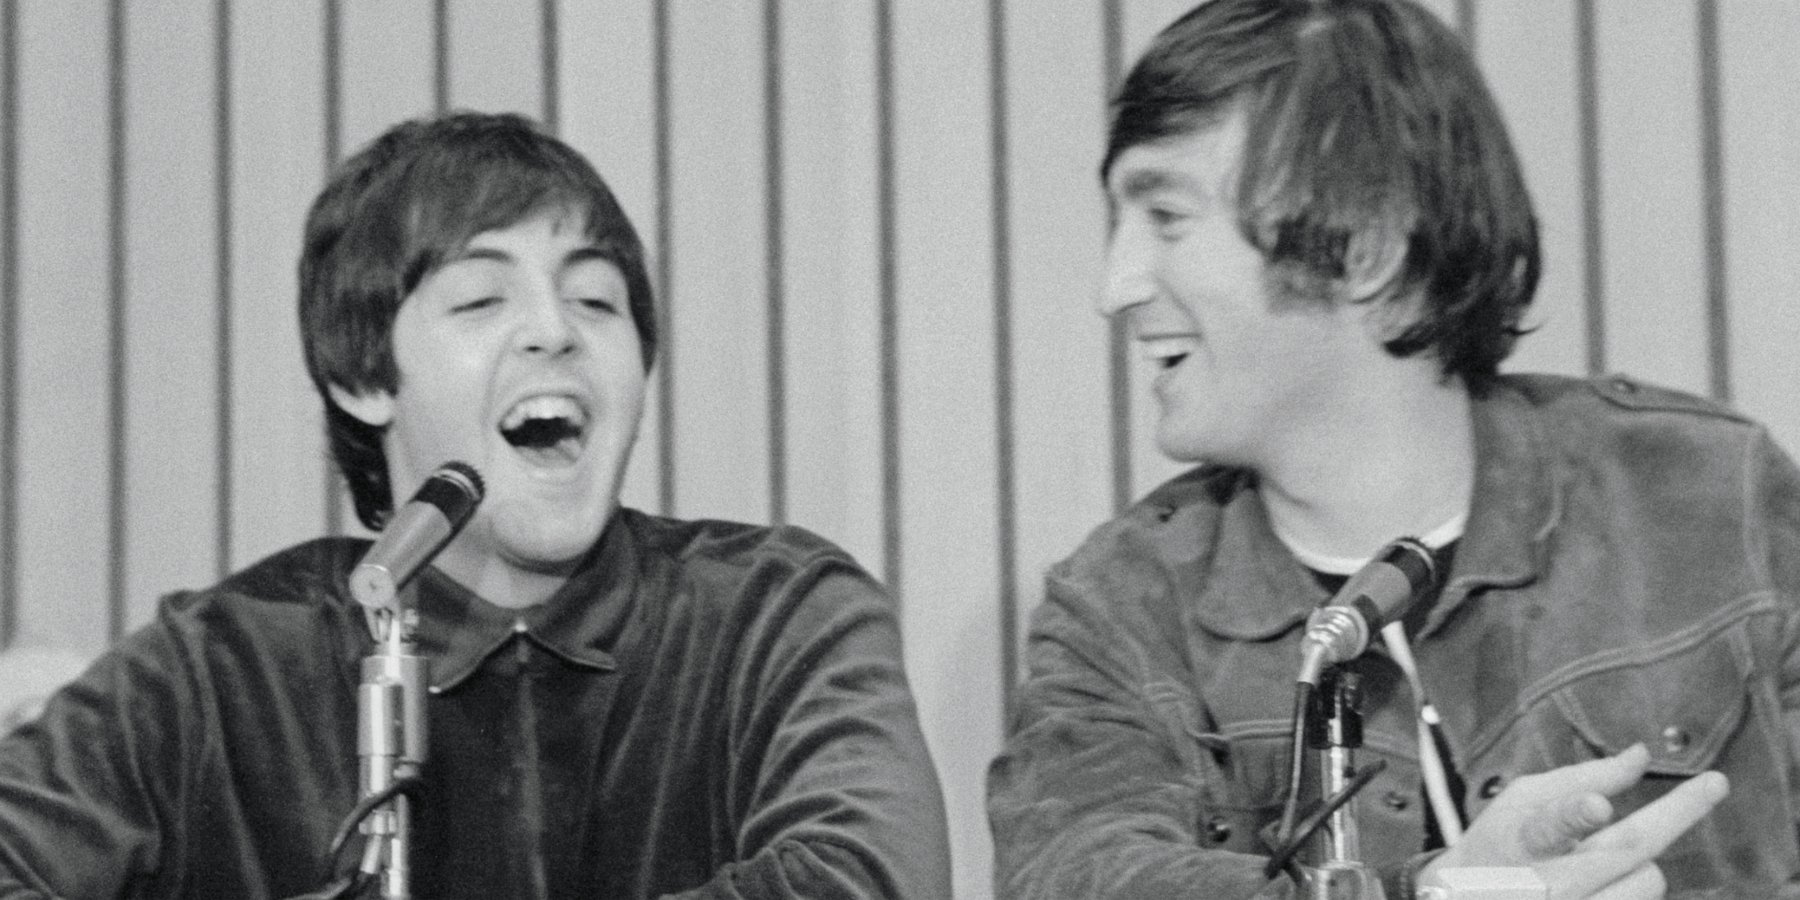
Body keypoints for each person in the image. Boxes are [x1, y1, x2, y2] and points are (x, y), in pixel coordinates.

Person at [0, 112, 951, 899]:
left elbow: (863, 877)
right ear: (363, 375)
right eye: (482, 301)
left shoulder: (776, 615)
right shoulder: (218, 667)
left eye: (596, 300)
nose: (553, 332)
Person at [987, 0, 1795, 897]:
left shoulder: (1711, 501)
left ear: (1365, 245)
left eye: (1167, 216)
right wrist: (1429, 892)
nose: (1114, 287)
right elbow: (1073, 876)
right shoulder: (1120, 610)